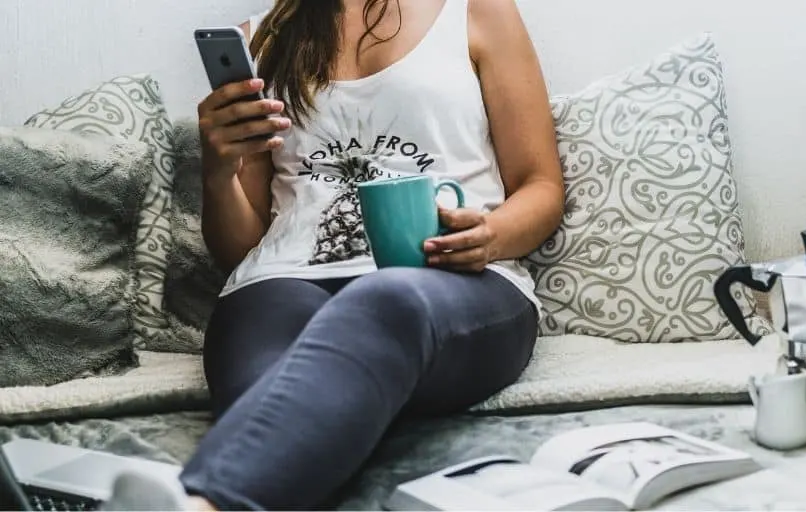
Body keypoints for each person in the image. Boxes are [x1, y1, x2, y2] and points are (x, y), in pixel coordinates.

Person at [102, 0, 563, 510]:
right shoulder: (265, 38)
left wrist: (491, 236)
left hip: (449, 277)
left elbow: (540, 185)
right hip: (279, 281)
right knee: (281, 404)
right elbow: (239, 248)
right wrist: (218, 170)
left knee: (385, 299)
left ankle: (204, 503)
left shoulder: (477, 10)